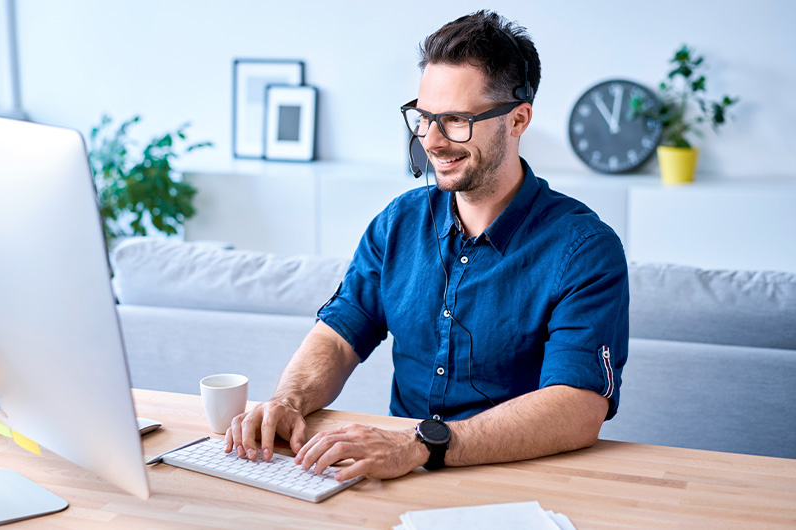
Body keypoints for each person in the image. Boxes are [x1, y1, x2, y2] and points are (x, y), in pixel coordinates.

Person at [224, 10, 629, 482]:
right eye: (424, 117)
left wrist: (421, 446)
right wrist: (287, 402)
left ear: (518, 120)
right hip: (395, 470)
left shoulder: (584, 249)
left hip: (516, 477)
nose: (432, 140)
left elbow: (579, 406)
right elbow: (338, 335)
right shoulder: (399, 221)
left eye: (456, 119)